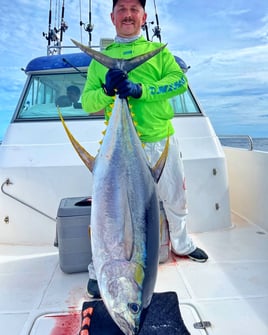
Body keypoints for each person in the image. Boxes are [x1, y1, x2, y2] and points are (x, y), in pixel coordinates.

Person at [81, 0, 208, 297]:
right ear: (112, 16)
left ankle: (182, 243)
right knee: (109, 213)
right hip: (118, 150)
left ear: (144, 16)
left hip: (160, 140)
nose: (128, 14)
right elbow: (87, 103)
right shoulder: (100, 60)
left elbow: (178, 82)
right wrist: (106, 90)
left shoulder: (161, 53)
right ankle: (96, 268)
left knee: (176, 197)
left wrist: (141, 90)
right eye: (122, 9)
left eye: (133, 9)